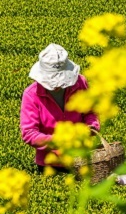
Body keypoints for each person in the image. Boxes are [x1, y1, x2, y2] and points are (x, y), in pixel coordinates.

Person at [20, 44, 100, 173]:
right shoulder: (31, 94)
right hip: (50, 164)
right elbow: (29, 133)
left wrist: (91, 127)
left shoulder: (80, 83)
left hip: (81, 159)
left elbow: (90, 112)